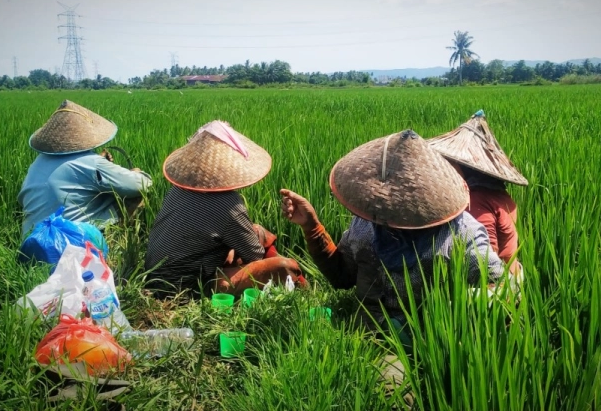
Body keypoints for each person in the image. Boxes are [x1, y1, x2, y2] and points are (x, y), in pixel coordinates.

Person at [281, 129, 520, 404]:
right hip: (378, 332)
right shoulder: (365, 226)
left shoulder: (462, 235)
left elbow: (501, 291)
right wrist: (311, 226)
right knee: (395, 395)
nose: (388, 216)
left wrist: (464, 314)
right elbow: (343, 277)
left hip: (440, 335)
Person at [145, 120, 306, 298]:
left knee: (256, 232)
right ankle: (303, 292)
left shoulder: (179, 188)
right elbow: (255, 256)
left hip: (154, 275)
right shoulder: (229, 205)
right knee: (284, 267)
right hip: (185, 288)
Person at [18, 100, 152, 236]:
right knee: (137, 197)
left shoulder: (38, 161)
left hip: (30, 240)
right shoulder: (92, 162)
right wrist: (137, 173)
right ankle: (114, 245)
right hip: (69, 243)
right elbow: (140, 185)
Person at [428, 110, 528, 264]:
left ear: (465, 167)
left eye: (452, 163)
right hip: (510, 273)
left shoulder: (477, 199)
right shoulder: (501, 195)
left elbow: (485, 258)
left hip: (495, 282)